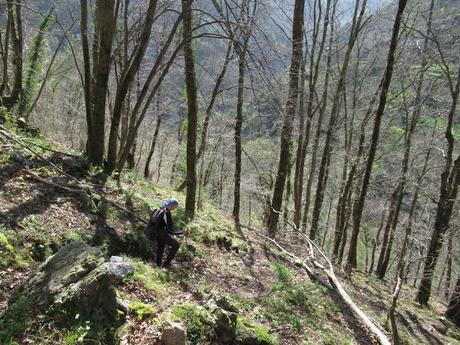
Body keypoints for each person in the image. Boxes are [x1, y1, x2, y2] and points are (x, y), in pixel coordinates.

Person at [155, 198, 186, 268]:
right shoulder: (167, 213)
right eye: (176, 206)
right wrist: (181, 232)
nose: (176, 208)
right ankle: (166, 263)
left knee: (161, 248)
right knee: (176, 245)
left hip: (157, 233)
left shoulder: (162, 209)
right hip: (163, 234)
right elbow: (170, 230)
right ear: (172, 205)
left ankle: (158, 265)